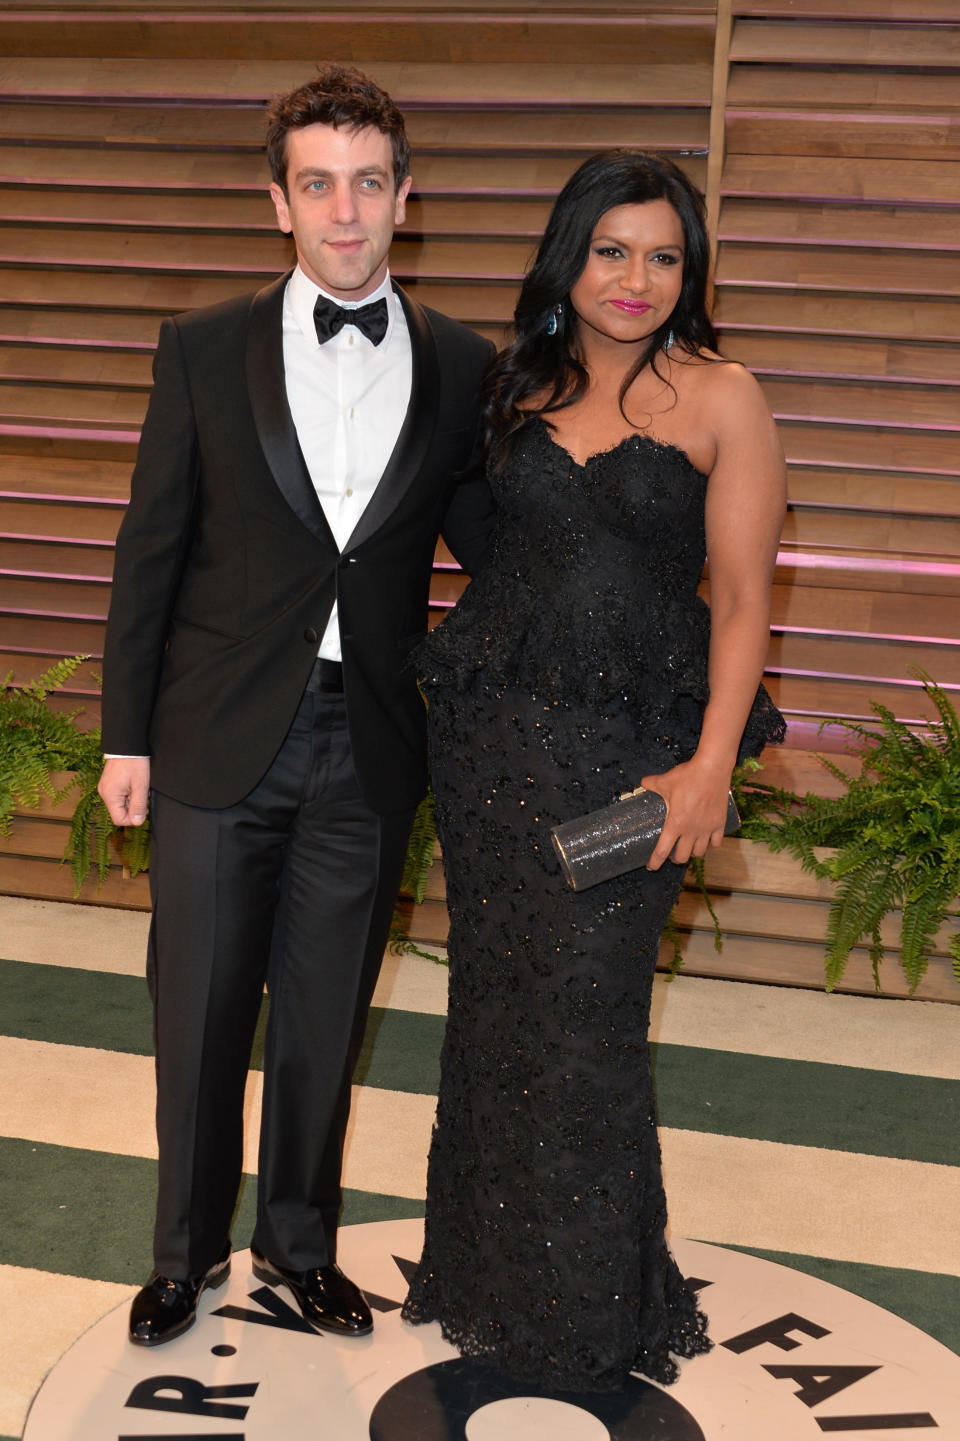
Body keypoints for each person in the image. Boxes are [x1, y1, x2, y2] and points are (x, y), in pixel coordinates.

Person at [97, 64, 494, 1348]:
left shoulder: (460, 365)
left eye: (368, 183)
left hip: (369, 743)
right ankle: (184, 1254)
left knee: (328, 1012)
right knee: (200, 1011)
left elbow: (496, 546)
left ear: (404, 198)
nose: (344, 210)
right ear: (279, 202)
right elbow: (148, 548)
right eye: (317, 184)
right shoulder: (202, 346)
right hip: (215, 734)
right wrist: (125, 733)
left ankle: (299, 1246)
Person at [401, 150, 787, 1392]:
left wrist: (711, 765)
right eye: (613, 249)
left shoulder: (725, 395)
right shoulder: (516, 384)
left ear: (692, 271)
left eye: (664, 255)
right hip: (495, 742)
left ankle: (587, 1304)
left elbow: (741, 601)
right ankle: (479, 1274)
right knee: (497, 1011)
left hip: (639, 754)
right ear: (570, 254)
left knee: (592, 1024)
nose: (637, 278)